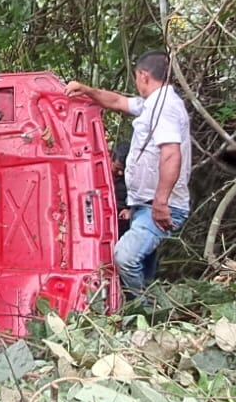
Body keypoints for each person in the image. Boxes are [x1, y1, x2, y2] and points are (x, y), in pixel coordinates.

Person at [67, 52, 193, 292]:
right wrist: (87, 90)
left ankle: (143, 307)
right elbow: (118, 102)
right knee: (143, 263)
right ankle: (150, 307)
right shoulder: (153, 104)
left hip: (157, 206)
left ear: (144, 76)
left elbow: (171, 154)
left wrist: (161, 200)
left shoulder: (164, 107)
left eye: (137, 78)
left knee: (124, 258)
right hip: (144, 205)